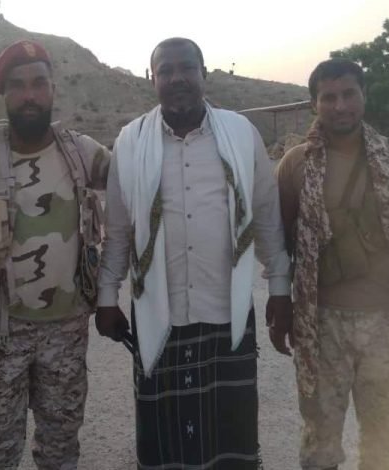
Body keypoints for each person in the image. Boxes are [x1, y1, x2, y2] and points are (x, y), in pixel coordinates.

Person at [96, 37, 292, 469]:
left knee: (230, 432)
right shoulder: (130, 141)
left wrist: (280, 287)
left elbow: (265, 216)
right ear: (152, 79)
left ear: (204, 73)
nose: (177, 78)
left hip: (225, 309)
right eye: (165, 70)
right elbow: (118, 231)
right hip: (158, 311)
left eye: (186, 67)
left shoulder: (240, 133)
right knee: (164, 438)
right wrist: (107, 297)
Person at [0, 40, 110, 469]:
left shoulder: (83, 153)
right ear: (3, 92)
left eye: (38, 83)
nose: (29, 95)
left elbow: (139, 181)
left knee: (60, 449)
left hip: (66, 331)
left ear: (53, 89)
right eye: (17, 85)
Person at [274, 58, 389, 470]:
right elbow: (280, 244)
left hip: (388, 322)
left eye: (349, 94)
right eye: (328, 97)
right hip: (321, 326)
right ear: (314, 104)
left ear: (364, 95)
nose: (340, 106)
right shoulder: (296, 164)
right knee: (319, 443)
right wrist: (281, 304)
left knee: (383, 438)